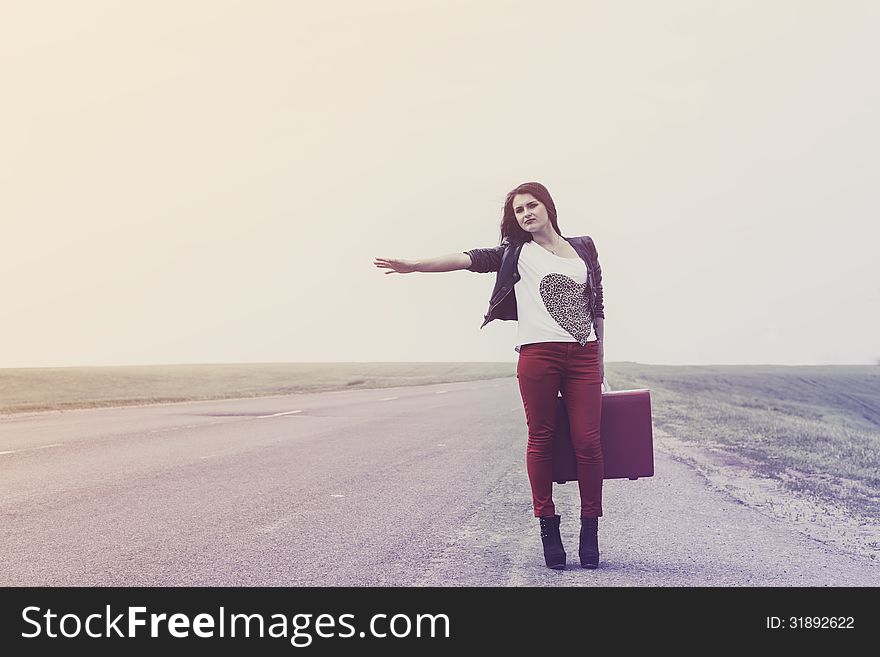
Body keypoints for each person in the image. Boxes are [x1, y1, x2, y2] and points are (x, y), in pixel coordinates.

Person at [373, 181, 606, 570]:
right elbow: (467, 258)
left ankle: (590, 527)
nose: (527, 213)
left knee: (589, 443)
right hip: (538, 354)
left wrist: (600, 356)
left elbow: (597, 303)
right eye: (519, 210)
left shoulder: (583, 247)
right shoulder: (516, 253)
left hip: (584, 354)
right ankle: (548, 525)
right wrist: (415, 266)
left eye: (532, 205)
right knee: (542, 439)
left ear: (548, 207)